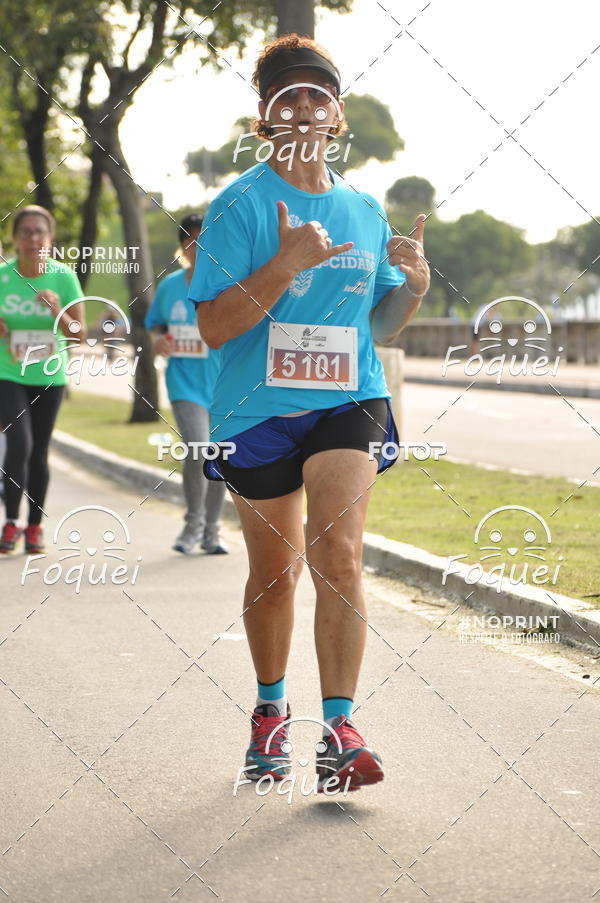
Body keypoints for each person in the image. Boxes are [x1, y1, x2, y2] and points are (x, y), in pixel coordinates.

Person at [189, 35, 430, 792]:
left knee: (341, 555)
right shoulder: (238, 206)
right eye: (286, 96)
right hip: (255, 411)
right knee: (275, 572)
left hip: (348, 399)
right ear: (264, 117)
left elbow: (380, 326)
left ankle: (339, 731)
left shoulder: (363, 208)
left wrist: (414, 288)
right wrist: (285, 263)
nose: (302, 106)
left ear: (337, 114)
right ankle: (270, 713)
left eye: (316, 95)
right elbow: (215, 327)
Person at [0, 205, 86, 554]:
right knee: (19, 443)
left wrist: (58, 310)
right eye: (26, 232)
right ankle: (11, 522)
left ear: (50, 239)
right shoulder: (3, 276)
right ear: (15, 239)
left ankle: (34, 526)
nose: (33, 238)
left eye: (40, 232)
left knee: (38, 450)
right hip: (8, 373)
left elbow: (79, 334)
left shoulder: (63, 277)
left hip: (50, 375)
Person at [146, 214, 227, 555]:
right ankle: (193, 524)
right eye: (190, 240)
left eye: (203, 239)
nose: (198, 247)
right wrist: (158, 340)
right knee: (197, 448)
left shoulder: (228, 284)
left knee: (220, 454)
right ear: (182, 246)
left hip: (223, 385)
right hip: (184, 384)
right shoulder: (170, 287)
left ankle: (212, 531)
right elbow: (155, 325)